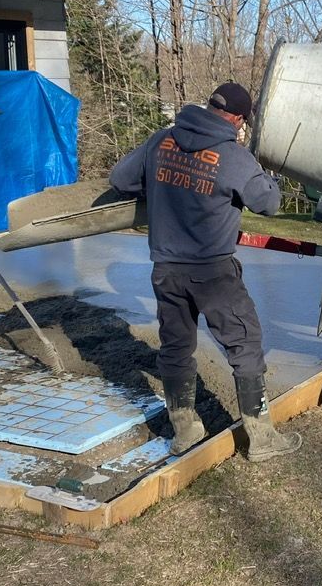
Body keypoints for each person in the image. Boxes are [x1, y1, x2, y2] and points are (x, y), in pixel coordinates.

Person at [111, 82, 302, 462]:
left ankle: (186, 431)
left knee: (176, 348)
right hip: (213, 272)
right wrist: (268, 179)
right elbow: (269, 204)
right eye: (242, 121)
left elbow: (120, 180)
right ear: (236, 119)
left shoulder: (161, 140)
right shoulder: (234, 156)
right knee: (243, 344)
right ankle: (262, 438)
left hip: (166, 269)